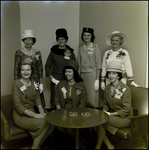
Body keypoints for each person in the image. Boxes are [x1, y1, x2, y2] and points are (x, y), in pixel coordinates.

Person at [12, 58, 55, 149]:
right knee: (44, 122)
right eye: (23, 70)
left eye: (28, 69)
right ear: (20, 72)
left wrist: (41, 111)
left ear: (31, 71)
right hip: (20, 116)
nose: (26, 72)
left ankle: (35, 145)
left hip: (32, 112)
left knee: (52, 122)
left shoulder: (33, 83)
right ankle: (35, 146)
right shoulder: (16, 84)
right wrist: (36, 116)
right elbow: (18, 105)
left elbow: (37, 98)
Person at [99, 61, 133, 149]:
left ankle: (98, 147)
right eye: (109, 73)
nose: (111, 76)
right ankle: (109, 145)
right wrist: (104, 111)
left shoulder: (125, 89)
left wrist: (110, 114)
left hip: (125, 118)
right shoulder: (107, 88)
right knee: (99, 122)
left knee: (99, 122)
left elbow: (126, 110)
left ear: (118, 75)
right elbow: (106, 103)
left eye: (114, 73)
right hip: (112, 116)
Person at [54, 60, 87, 148]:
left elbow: (83, 102)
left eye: (69, 71)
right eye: (66, 71)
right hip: (63, 110)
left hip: (77, 111)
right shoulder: (61, 84)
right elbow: (56, 100)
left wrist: (75, 114)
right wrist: (59, 112)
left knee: (68, 127)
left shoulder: (81, 84)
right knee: (60, 127)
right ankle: (79, 138)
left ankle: (79, 145)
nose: (67, 74)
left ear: (74, 72)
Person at [45, 28, 76, 109]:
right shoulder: (53, 51)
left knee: (67, 99)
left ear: (66, 40)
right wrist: (52, 78)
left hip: (67, 79)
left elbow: (75, 66)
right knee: (56, 101)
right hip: (55, 80)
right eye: (59, 39)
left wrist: (72, 79)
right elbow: (47, 66)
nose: (61, 41)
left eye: (62, 39)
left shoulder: (70, 52)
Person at [14, 29, 45, 109]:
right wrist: (17, 84)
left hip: (35, 81)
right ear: (23, 41)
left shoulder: (37, 52)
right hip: (23, 80)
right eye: (26, 39)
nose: (28, 41)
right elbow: (16, 69)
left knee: (38, 102)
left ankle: (40, 116)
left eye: (30, 39)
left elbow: (40, 68)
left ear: (33, 41)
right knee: (25, 100)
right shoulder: (19, 53)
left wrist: (41, 83)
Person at [77, 27, 102, 108]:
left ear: (91, 36)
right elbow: (78, 64)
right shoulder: (81, 49)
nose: (86, 37)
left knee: (92, 97)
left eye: (88, 35)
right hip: (82, 75)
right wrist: (78, 78)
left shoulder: (95, 48)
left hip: (92, 75)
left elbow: (98, 65)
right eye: (84, 35)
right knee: (83, 96)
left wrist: (97, 80)